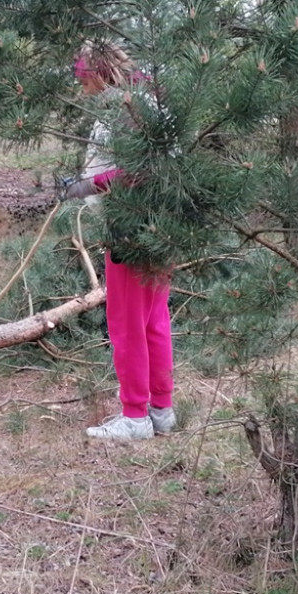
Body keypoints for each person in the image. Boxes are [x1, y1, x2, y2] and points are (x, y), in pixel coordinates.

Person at [63, 43, 176, 440]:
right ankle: (161, 411)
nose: (80, 86)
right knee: (154, 320)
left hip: (130, 225)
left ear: (98, 73)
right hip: (163, 225)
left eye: (83, 77)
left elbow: (137, 173)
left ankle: (134, 417)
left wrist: (83, 186)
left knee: (127, 324)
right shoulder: (147, 102)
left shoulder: (126, 109)